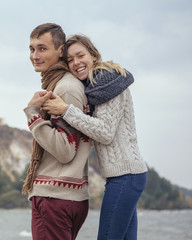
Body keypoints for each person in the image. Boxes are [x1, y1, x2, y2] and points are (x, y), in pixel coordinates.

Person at [40, 34, 148, 240]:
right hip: (125, 175)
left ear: (94, 55)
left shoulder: (107, 81)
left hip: (125, 176)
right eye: (70, 60)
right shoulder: (95, 86)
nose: (76, 63)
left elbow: (105, 133)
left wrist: (65, 110)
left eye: (80, 55)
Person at [22, 24, 91, 240]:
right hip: (64, 196)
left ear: (60, 51)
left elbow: (65, 149)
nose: (35, 55)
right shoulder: (61, 85)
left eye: (42, 48)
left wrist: (33, 115)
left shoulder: (66, 88)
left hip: (55, 197)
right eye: (32, 49)